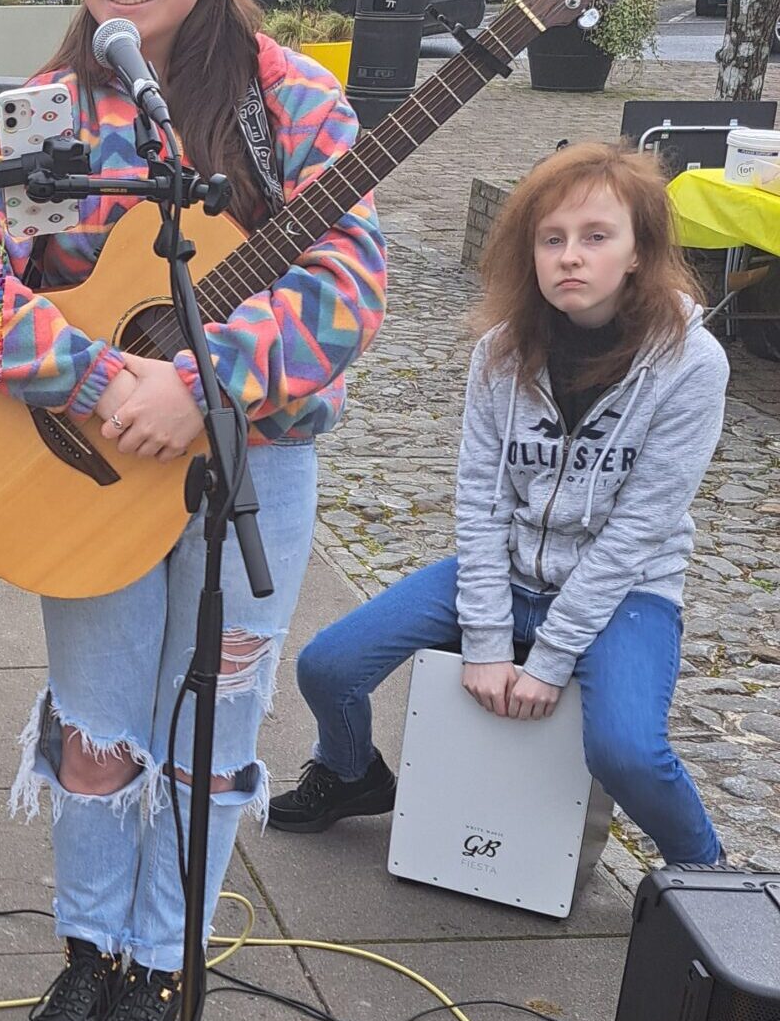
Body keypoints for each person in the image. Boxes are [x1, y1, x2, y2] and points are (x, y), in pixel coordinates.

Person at [0, 0, 385, 1021]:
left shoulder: (297, 106)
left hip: (251, 466)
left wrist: (207, 382)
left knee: (212, 733)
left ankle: (168, 959)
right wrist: (96, 375)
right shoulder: (47, 111)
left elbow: (348, 288)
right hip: (89, 464)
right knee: (100, 725)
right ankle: (90, 949)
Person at [271, 142, 728, 873]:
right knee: (328, 666)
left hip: (626, 592)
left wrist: (549, 661)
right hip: (509, 571)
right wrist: (486, 638)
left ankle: (708, 875)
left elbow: (641, 528)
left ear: (640, 251)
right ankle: (351, 772)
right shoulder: (500, 353)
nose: (569, 257)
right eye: (552, 239)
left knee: (626, 747)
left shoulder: (692, 365)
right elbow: (480, 503)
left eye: (595, 236)